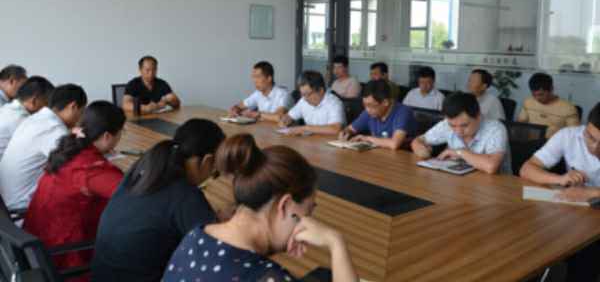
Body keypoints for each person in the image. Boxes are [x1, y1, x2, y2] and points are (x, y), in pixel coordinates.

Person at [163, 134, 359, 282]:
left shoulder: (194, 237)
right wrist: (336, 242)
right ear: (285, 205)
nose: (309, 222)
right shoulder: (268, 276)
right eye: (308, 212)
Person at [91, 119, 226, 282]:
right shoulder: (185, 196)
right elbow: (218, 253)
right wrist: (225, 225)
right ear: (207, 161)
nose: (212, 176)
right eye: (215, 172)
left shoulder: (143, 171)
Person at [24, 101, 126, 281]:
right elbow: (133, 196)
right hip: (65, 256)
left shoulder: (70, 152)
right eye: (121, 133)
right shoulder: (91, 169)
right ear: (107, 136)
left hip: (37, 249)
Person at [520, 102, 600, 282]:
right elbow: (527, 169)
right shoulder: (568, 136)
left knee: (585, 260)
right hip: (574, 216)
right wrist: (560, 179)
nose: (594, 148)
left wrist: (593, 192)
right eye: (590, 137)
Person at [0, 84, 87, 210]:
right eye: (82, 112)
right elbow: (76, 165)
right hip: (20, 208)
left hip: (6, 201)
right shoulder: (53, 128)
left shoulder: (37, 118)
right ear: (73, 106)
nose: (80, 118)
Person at [411, 92, 512, 174]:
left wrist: (459, 152)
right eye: (453, 126)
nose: (458, 132)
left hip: (496, 186)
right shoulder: (447, 124)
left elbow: (491, 166)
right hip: (459, 181)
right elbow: (419, 140)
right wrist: (420, 149)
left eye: (464, 125)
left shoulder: (495, 129)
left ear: (478, 116)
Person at [339, 80, 416, 150]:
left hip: (404, 156)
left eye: (371, 105)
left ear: (385, 102)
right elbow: (351, 129)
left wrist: (367, 138)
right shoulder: (369, 112)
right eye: (365, 105)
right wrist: (346, 132)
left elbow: (394, 144)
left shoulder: (403, 112)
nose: (367, 110)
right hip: (379, 154)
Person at [0, 76, 54, 160]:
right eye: (46, 103)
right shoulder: (22, 120)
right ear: (34, 101)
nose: (47, 109)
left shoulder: (7, 108)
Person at [279, 71, 345, 136]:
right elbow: (289, 116)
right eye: (302, 94)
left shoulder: (334, 103)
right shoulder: (303, 101)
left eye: (308, 94)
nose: (305, 98)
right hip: (311, 140)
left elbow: (335, 129)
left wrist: (305, 128)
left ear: (321, 90)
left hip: (330, 141)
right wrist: (285, 120)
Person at [517, 72, 579, 138]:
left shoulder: (568, 109)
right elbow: (520, 124)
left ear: (551, 89)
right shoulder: (528, 102)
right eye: (534, 95)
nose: (537, 98)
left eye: (541, 94)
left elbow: (574, 135)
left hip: (555, 142)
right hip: (531, 140)